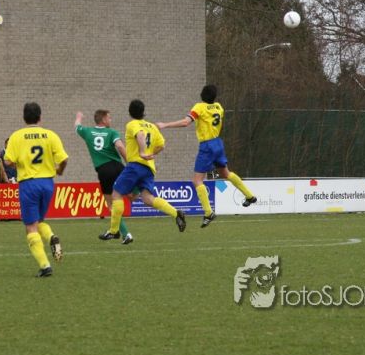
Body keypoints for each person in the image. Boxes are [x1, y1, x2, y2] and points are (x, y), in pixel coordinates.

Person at [158, 84, 257, 228]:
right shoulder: (219, 107)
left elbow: (186, 122)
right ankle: (249, 195)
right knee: (226, 173)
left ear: (202, 95)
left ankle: (208, 212)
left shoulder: (199, 107)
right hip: (218, 143)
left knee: (197, 180)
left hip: (207, 146)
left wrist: (165, 125)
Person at [4, 102, 68, 278]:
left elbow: (8, 161)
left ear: (24, 117)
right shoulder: (51, 135)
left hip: (29, 184)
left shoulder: (17, 136)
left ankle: (45, 266)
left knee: (30, 227)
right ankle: (51, 236)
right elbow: (63, 159)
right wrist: (60, 171)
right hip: (47, 183)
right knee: (39, 221)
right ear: (40, 117)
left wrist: (20, 163)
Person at [105, 99, 186, 236]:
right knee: (148, 199)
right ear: (143, 112)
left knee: (116, 194)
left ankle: (113, 231)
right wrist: (151, 153)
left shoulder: (132, 124)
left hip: (135, 165)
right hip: (148, 168)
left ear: (130, 112)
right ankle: (176, 213)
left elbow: (140, 135)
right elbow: (162, 145)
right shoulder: (152, 126)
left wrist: (142, 152)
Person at [75, 110, 134, 244]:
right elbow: (120, 147)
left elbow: (77, 127)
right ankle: (118, 231)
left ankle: (124, 233)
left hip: (104, 170)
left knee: (111, 204)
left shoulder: (87, 132)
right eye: (109, 118)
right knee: (128, 196)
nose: (110, 120)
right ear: (103, 120)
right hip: (118, 167)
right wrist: (130, 163)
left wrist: (79, 117)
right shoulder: (112, 132)